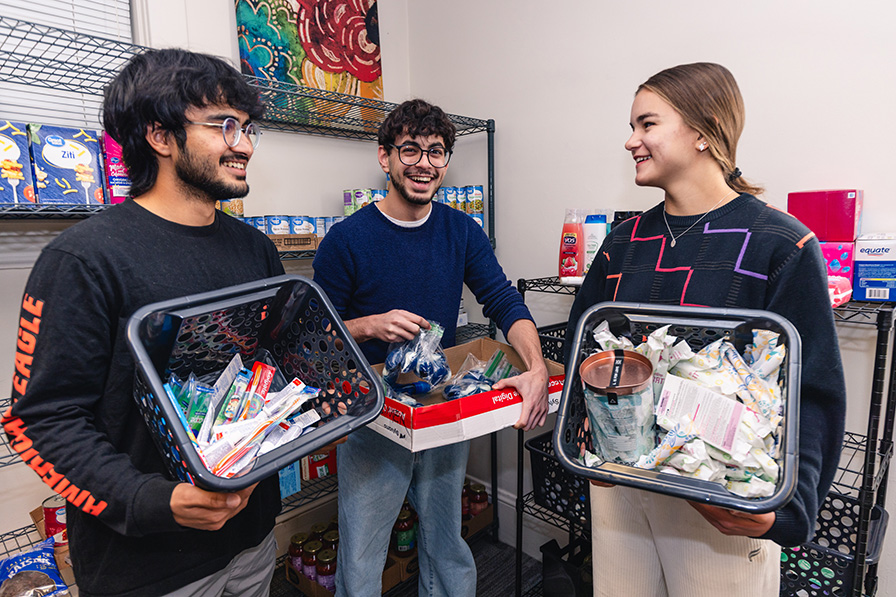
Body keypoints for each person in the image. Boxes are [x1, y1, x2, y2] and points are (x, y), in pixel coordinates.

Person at [1, 49, 285, 596]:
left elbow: (263, 374)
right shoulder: (84, 258)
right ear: (159, 135)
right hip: (150, 568)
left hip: (252, 541)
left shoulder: (255, 249)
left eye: (248, 128)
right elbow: (42, 421)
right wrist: (156, 500)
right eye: (225, 125)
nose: (244, 144)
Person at [565, 62, 846, 597]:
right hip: (620, 483)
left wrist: (783, 513)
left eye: (647, 124)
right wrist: (580, 427)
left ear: (702, 131)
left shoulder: (782, 246)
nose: (630, 141)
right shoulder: (623, 243)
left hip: (715, 500)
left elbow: (814, 393)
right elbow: (584, 345)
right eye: (632, 127)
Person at [312, 98, 550, 597]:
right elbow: (315, 336)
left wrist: (536, 367)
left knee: (446, 541)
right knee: (361, 552)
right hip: (373, 409)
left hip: (440, 405)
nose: (424, 163)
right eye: (410, 150)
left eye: (436, 152)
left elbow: (504, 302)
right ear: (385, 157)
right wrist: (370, 324)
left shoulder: (460, 230)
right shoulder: (346, 239)